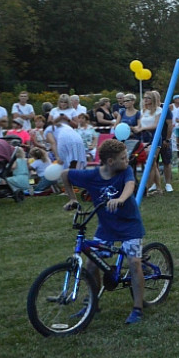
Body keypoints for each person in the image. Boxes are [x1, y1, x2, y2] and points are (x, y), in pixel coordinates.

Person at [60, 139, 147, 324]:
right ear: (110, 162)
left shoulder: (126, 171)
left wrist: (121, 199)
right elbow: (65, 174)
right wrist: (72, 199)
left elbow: (130, 186)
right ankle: (93, 304)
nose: (127, 160)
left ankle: (138, 308)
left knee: (134, 262)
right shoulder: (92, 176)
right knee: (92, 264)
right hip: (106, 227)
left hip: (130, 225)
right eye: (123, 158)